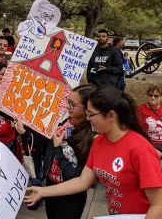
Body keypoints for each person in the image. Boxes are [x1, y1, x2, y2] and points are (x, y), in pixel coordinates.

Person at [24, 86, 162, 217]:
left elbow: (158, 205)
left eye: (91, 114)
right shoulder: (98, 142)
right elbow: (82, 181)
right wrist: (42, 191)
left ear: (111, 115)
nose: (87, 118)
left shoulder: (140, 150)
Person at [42, 85, 96, 219]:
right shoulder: (63, 123)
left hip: (71, 196)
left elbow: (76, 176)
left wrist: (58, 148)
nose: (67, 107)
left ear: (87, 109)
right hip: (52, 186)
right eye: (68, 101)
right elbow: (46, 150)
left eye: (72, 104)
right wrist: (24, 133)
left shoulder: (90, 137)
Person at [137, 84, 162, 153]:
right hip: (149, 143)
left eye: (156, 96)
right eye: (150, 95)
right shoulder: (141, 109)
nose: (152, 98)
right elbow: (138, 130)